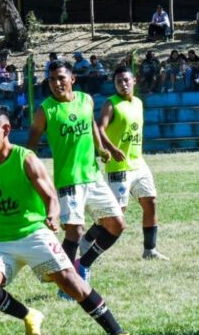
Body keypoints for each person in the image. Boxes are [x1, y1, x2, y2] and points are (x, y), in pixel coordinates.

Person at [0, 103, 131, 335]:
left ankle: (118, 333)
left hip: (34, 233)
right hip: (0, 241)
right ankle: (30, 316)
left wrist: (52, 214)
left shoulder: (25, 159)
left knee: (70, 282)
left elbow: (50, 196)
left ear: (6, 129)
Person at [26, 60, 125, 299]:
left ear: (72, 79)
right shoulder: (45, 110)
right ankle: (66, 286)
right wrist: (31, 175)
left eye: (61, 78)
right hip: (68, 181)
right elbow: (30, 146)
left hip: (93, 177)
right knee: (75, 232)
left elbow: (91, 124)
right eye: (51, 79)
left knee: (117, 224)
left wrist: (101, 149)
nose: (56, 83)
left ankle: (84, 265)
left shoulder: (86, 100)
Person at [97, 67, 168, 260]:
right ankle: (89, 241)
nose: (123, 84)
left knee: (150, 201)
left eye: (126, 80)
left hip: (139, 164)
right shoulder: (111, 104)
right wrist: (112, 149)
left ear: (134, 81)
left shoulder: (138, 102)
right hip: (119, 167)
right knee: (116, 214)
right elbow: (99, 129)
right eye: (118, 81)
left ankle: (150, 250)